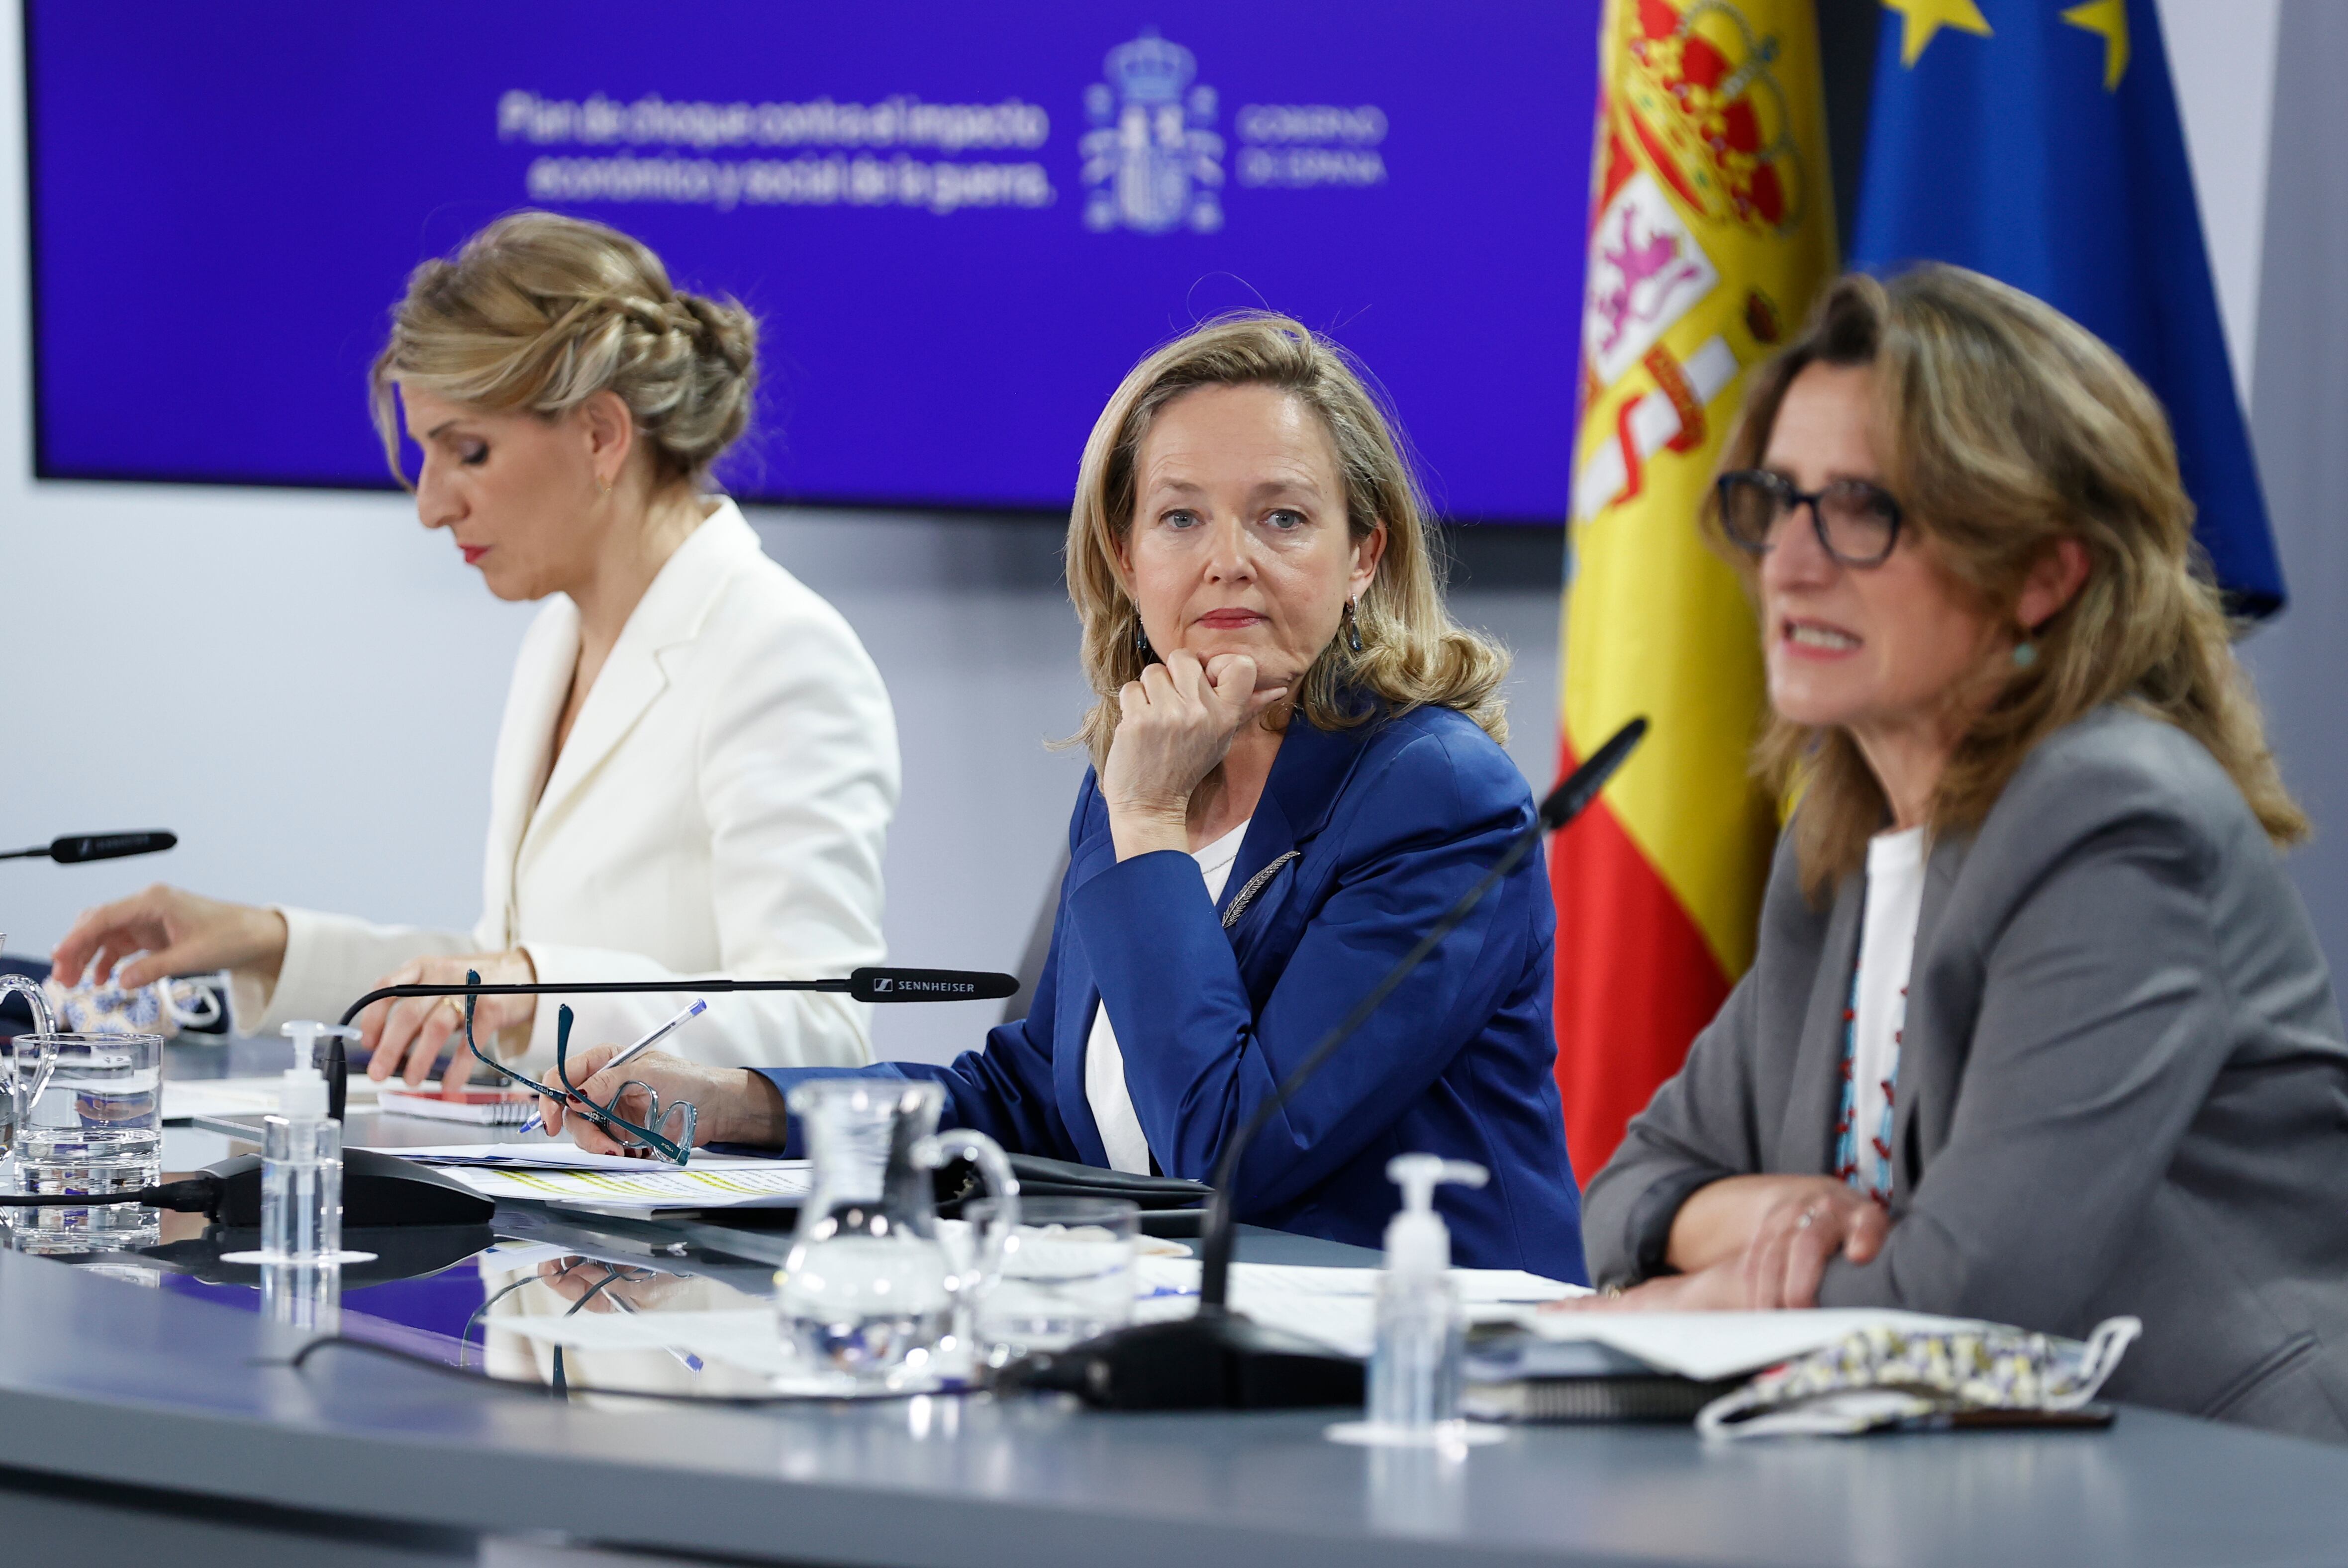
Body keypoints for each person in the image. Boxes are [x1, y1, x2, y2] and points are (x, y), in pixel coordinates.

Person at [539, 312, 1587, 1279]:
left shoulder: (1434, 795)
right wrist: (749, 1106)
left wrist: (1147, 826)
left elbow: (1231, 1152)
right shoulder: (1139, 769)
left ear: (1363, 555)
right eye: (1180, 518)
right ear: (1125, 559)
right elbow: (1031, 1101)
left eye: (1280, 517)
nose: (1229, 561)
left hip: (1410, 1383)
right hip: (1176, 1356)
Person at [1567, 265, 2348, 1438]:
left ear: (2042, 573)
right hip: (1950, 1479)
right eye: (1776, 499)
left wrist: (1697, 1299)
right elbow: (1626, 1188)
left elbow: (1962, 1307)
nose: (1787, 561)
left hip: (2209, 1486)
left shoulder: (2116, 823)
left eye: (1864, 510)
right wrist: (1756, 1219)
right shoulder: (1841, 837)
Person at [50, 212, 898, 1086]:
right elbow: (499, 974)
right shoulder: (558, 638)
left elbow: (821, 1029)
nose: (430, 506)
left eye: (470, 452)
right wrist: (273, 943)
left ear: (602, 436)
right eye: (426, 455)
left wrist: (526, 989)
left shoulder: (780, 653)